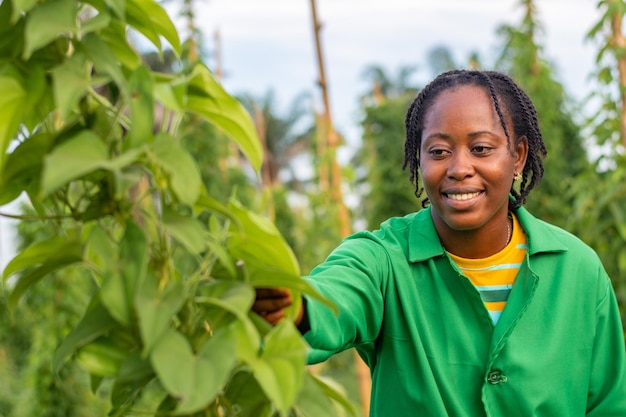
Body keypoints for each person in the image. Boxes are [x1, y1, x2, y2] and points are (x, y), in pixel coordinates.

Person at [252, 69, 626, 416]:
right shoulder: (384, 259)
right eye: (438, 151)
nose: (459, 168)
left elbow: (610, 403)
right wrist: (294, 307)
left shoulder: (578, 269)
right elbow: (335, 296)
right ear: (419, 159)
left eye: (481, 149)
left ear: (519, 157)